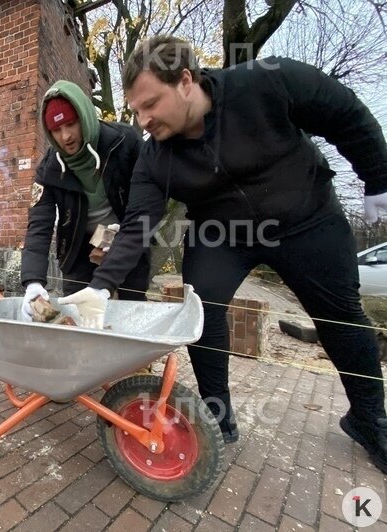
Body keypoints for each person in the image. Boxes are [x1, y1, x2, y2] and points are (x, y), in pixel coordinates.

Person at [58, 35, 387, 472]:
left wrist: (378, 179)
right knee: (202, 305)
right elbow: (138, 223)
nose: (143, 120)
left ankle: (369, 418)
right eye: (136, 111)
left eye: (150, 104)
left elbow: (344, 112)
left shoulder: (266, 82)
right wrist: (100, 288)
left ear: (187, 81)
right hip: (222, 234)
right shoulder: (155, 159)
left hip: (307, 218)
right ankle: (218, 413)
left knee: (340, 315)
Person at [20, 80, 150, 320]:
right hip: (78, 251)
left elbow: (148, 203)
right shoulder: (48, 169)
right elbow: (39, 224)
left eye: (71, 124)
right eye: (56, 130)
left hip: (127, 240)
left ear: (85, 116)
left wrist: (124, 235)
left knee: (132, 316)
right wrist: (32, 281)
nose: (66, 136)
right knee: (78, 320)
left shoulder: (126, 143)